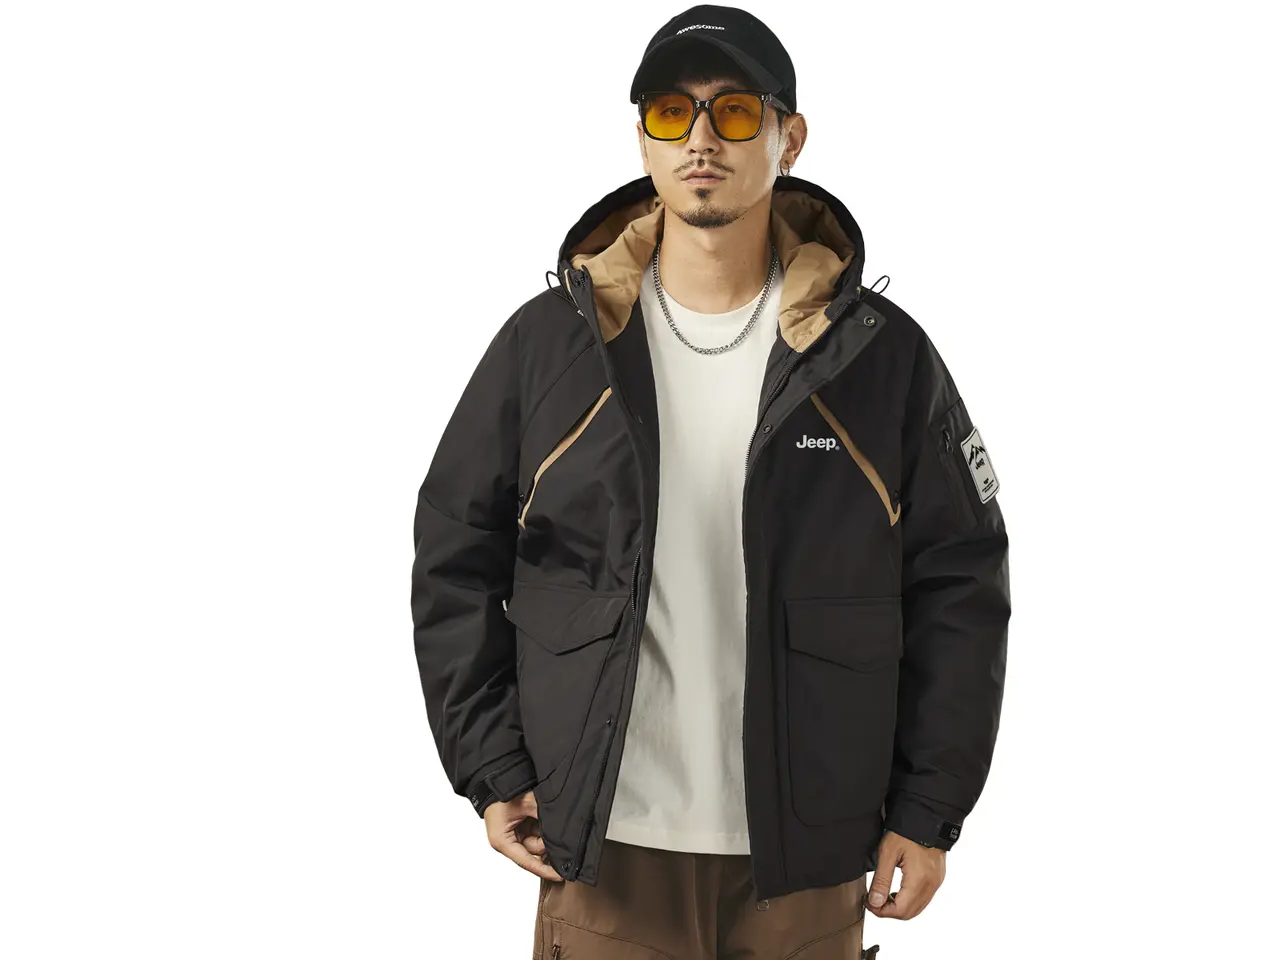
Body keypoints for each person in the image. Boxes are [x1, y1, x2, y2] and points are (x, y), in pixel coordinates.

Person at [410, 5, 1010, 957]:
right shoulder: (550, 345)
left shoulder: (878, 358)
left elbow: (959, 581)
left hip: (808, 852)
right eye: (670, 113)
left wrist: (929, 806)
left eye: (733, 113)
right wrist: (493, 765)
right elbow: (455, 552)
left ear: (788, 138)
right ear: (643, 139)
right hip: (603, 843)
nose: (700, 140)